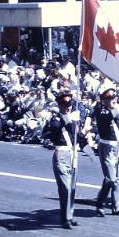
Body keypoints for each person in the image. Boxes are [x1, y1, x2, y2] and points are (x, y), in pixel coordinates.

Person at [46, 91, 80, 229]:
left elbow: (78, 137)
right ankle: (65, 218)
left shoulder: (73, 119)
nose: (68, 107)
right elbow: (49, 132)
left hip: (73, 154)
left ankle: (69, 217)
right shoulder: (55, 120)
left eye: (69, 104)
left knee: (72, 188)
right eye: (65, 104)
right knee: (65, 188)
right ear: (59, 105)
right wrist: (65, 119)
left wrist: (89, 153)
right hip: (61, 154)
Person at [94, 87, 119, 216]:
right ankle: (100, 203)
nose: (113, 100)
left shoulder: (117, 110)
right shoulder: (101, 110)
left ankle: (117, 207)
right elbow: (107, 117)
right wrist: (118, 110)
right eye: (109, 98)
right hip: (107, 147)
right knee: (110, 178)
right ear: (104, 100)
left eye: (114, 98)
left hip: (118, 146)